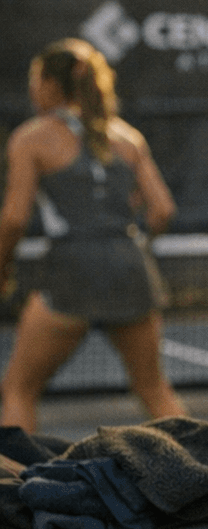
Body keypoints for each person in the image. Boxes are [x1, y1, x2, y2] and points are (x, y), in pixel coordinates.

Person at [0, 38, 186, 432]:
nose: (32, 90)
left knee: (18, 390)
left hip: (70, 273)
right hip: (131, 268)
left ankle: (12, 473)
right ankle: (206, 464)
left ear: (51, 84)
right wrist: (132, 246)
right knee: (154, 390)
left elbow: (14, 220)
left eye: (36, 81)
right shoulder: (128, 138)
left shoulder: (31, 138)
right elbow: (162, 210)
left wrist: (2, 266)